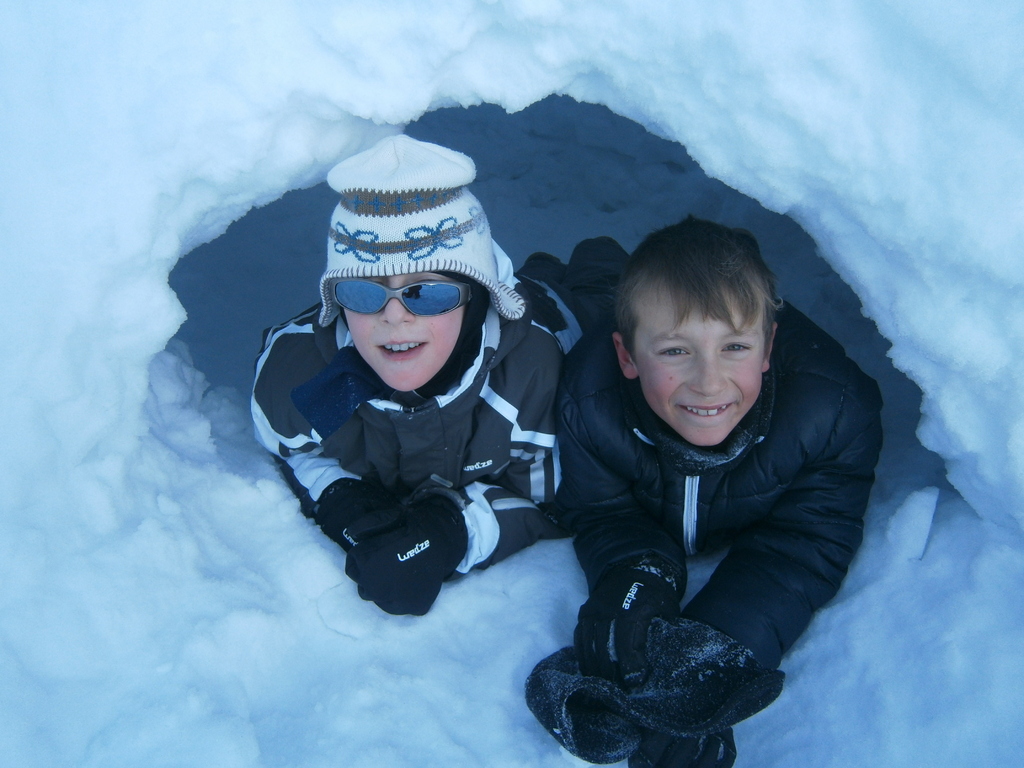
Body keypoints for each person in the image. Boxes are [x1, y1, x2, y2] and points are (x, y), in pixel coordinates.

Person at [525, 216, 883, 767]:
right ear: (627, 357)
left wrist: (709, 656)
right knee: (586, 292)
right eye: (675, 351)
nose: (709, 382)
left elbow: (806, 541)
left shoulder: (832, 412)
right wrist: (638, 576)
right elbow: (601, 507)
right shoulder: (587, 396)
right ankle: (593, 259)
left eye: (735, 346)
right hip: (596, 315)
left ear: (768, 347)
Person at [251, 134, 626, 617]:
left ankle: (591, 260)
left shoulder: (539, 380)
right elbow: (291, 448)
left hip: (564, 313)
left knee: (606, 291)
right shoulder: (301, 376)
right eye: (364, 293)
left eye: (427, 292)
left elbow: (559, 499)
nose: (394, 317)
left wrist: (451, 528)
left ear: (476, 296)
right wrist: (344, 499)